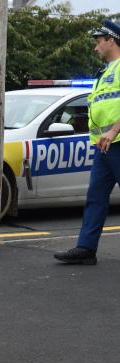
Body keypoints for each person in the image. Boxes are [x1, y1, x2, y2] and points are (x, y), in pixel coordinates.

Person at [54, 19, 120, 265]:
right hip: (104, 147)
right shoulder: (105, 73)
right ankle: (86, 248)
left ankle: (86, 247)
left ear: (111, 40)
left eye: (98, 42)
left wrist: (113, 131)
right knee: (96, 197)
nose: (95, 48)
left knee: (97, 197)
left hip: (117, 142)